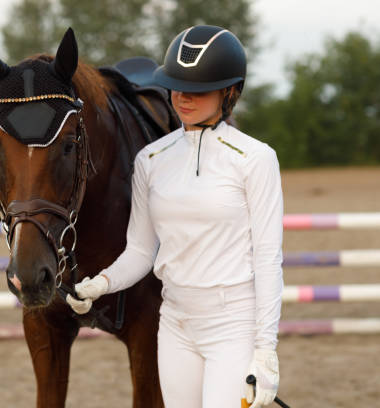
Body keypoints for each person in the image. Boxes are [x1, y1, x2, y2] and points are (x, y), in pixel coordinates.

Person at [66, 25, 283, 408]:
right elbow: (140, 252)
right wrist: (99, 284)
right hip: (175, 323)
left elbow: (268, 260)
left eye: (198, 89)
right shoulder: (150, 160)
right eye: (177, 85)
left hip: (232, 324)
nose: (182, 97)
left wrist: (265, 350)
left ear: (230, 92)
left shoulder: (256, 159)